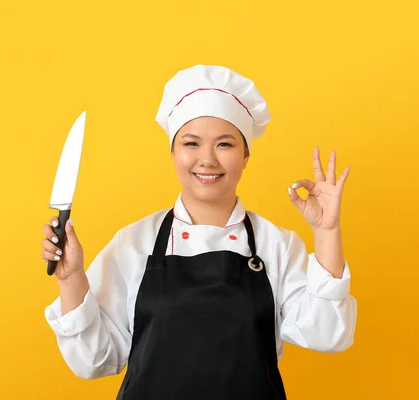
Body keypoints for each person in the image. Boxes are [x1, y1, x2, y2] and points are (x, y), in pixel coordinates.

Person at [41, 64, 357, 400]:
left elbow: (328, 335)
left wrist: (327, 231)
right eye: (191, 143)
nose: (207, 160)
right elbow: (95, 360)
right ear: (173, 151)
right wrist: (71, 278)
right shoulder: (134, 243)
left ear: (246, 154)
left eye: (225, 144)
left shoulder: (276, 245)